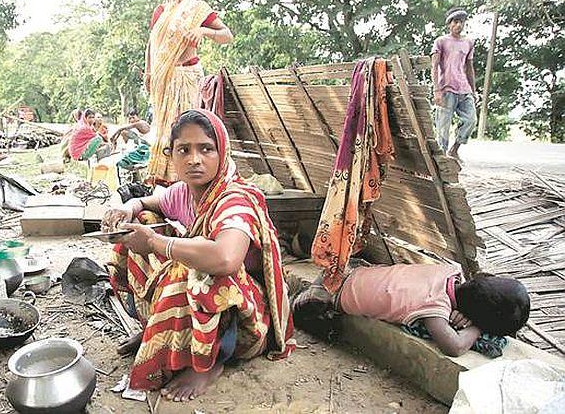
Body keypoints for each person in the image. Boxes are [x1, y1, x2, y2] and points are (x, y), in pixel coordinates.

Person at [102, 110, 294, 401]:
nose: (194, 159)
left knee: (197, 268)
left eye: (206, 149)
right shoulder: (184, 192)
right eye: (184, 150)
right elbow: (147, 201)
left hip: (247, 319)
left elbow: (226, 259)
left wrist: (155, 242)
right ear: (172, 155)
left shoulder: (235, 198)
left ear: (221, 153)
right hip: (213, 301)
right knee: (138, 227)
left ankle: (212, 361)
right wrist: (129, 208)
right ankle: (156, 330)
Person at [294, 262, 530, 357]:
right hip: (332, 297)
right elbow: (454, 347)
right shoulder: (434, 308)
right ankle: (308, 301)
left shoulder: (450, 270)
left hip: (349, 271)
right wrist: (478, 328)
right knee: (307, 317)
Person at [145, 0, 233, 185]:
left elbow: (227, 35)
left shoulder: (197, 9)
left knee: (186, 129)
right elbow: (152, 43)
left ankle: (187, 183)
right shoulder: (161, 12)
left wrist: (203, 31)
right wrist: (148, 73)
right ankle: (166, 185)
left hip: (187, 78)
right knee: (165, 132)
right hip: (163, 79)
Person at [431, 7, 477, 160]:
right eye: (456, 22)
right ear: (449, 24)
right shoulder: (441, 41)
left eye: (462, 22)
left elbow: (469, 68)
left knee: (471, 120)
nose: (459, 25)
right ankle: (442, 161)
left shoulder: (468, 42)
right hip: (446, 88)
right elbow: (434, 66)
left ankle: (455, 149)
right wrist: (436, 90)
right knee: (443, 129)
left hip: (464, 89)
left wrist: (474, 91)